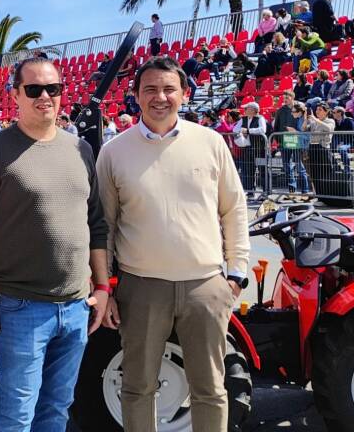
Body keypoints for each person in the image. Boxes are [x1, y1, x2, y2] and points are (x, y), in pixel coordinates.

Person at [97, 57, 249, 432]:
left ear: (184, 93)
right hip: (141, 288)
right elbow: (105, 226)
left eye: (169, 89)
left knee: (210, 389)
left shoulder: (211, 143)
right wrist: (107, 288)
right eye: (150, 89)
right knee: (136, 388)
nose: (160, 97)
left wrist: (235, 276)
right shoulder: (114, 152)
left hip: (206, 287)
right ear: (135, 96)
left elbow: (234, 210)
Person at [0, 57, 108, 431]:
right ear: (15, 95)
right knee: (15, 414)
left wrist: (103, 286)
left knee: (56, 410)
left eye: (53, 89)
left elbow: (96, 223)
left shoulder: (81, 150)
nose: (45, 97)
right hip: (20, 307)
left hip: (75, 307)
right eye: (34, 89)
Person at [233, 102, 268, 196]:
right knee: (249, 170)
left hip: (259, 149)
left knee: (262, 170)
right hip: (247, 148)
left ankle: (266, 191)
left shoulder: (260, 118)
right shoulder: (243, 119)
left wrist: (248, 131)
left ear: (253, 110)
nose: (244, 111)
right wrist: (242, 131)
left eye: (247, 109)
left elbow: (263, 130)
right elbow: (235, 129)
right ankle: (250, 191)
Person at [305, 103, 337, 190]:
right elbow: (304, 128)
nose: (317, 111)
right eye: (317, 109)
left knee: (326, 172)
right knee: (314, 173)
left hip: (323, 149)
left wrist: (315, 119)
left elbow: (329, 129)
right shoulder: (314, 122)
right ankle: (318, 195)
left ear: (326, 112)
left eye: (320, 110)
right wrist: (305, 117)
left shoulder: (330, 121)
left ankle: (328, 193)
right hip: (312, 148)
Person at [283, 103, 311, 195]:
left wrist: (295, 131)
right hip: (298, 146)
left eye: (294, 112)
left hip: (303, 147)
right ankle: (304, 191)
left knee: (301, 169)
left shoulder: (305, 120)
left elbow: (307, 136)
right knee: (300, 169)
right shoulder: (299, 119)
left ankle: (305, 191)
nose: (292, 113)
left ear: (299, 112)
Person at [333, 106, 354, 171]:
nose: (332, 114)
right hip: (338, 142)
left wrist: (342, 142)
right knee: (326, 149)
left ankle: (347, 168)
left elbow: (352, 134)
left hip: (350, 142)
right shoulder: (335, 122)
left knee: (342, 149)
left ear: (340, 113)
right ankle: (336, 166)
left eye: (334, 112)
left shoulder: (349, 120)